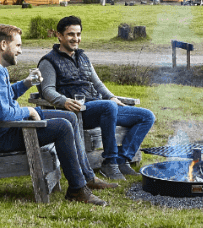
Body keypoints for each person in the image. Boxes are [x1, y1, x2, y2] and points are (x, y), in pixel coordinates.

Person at [0, 24, 116, 207]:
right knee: (62, 127)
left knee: (70, 117)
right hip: (2, 136)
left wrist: (26, 83)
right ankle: (77, 188)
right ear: (3, 45)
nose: (20, 51)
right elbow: (1, 113)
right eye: (17, 46)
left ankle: (86, 176)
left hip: (9, 127)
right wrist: (29, 110)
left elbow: (4, 97)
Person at [37, 15, 156, 181]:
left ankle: (123, 160)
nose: (76, 39)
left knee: (146, 116)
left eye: (78, 34)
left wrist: (112, 96)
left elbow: (98, 84)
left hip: (104, 108)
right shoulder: (48, 61)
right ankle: (110, 163)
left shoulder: (83, 57)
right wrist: (64, 101)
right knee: (109, 107)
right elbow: (48, 90)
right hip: (79, 112)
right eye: (71, 34)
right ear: (59, 35)